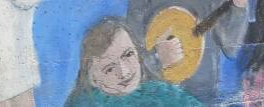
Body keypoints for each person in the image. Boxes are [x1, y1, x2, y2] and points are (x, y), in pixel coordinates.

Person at [65, 17, 201, 106]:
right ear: (94, 79)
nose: (124, 73)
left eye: (128, 54)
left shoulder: (162, 93)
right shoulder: (84, 103)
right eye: (109, 69)